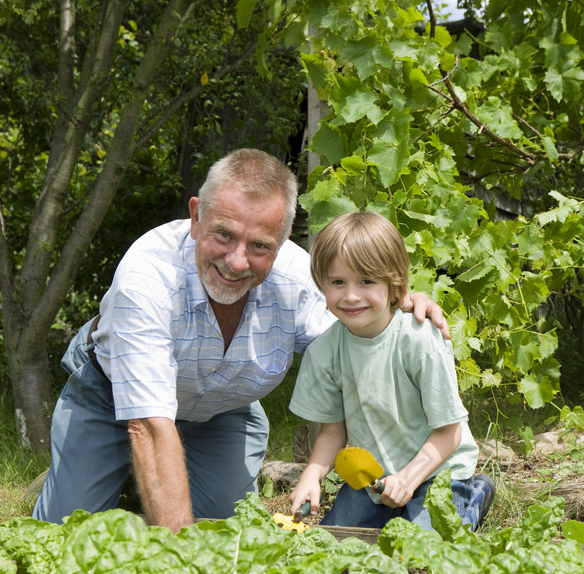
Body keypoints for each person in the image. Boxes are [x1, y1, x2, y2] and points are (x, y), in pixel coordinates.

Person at [33, 150, 449, 531]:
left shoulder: (299, 281)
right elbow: (149, 424)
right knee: (65, 533)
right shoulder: (145, 280)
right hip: (114, 398)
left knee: (227, 532)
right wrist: (182, 564)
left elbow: (358, 332)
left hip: (219, 412)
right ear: (196, 217)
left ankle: (142, 481)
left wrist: (399, 306)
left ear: (283, 241)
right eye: (225, 235)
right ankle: (110, 470)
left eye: (260, 246)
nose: (236, 262)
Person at [289, 210, 495, 531]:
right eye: (338, 282)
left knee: (421, 554)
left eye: (366, 281)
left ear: (393, 281)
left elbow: (449, 432)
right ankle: (396, 507)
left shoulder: (419, 339)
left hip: (438, 467)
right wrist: (312, 475)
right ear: (322, 282)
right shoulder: (323, 353)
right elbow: (332, 432)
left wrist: (409, 479)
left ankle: (473, 495)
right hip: (376, 476)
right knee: (334, 543)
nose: (351, 295)